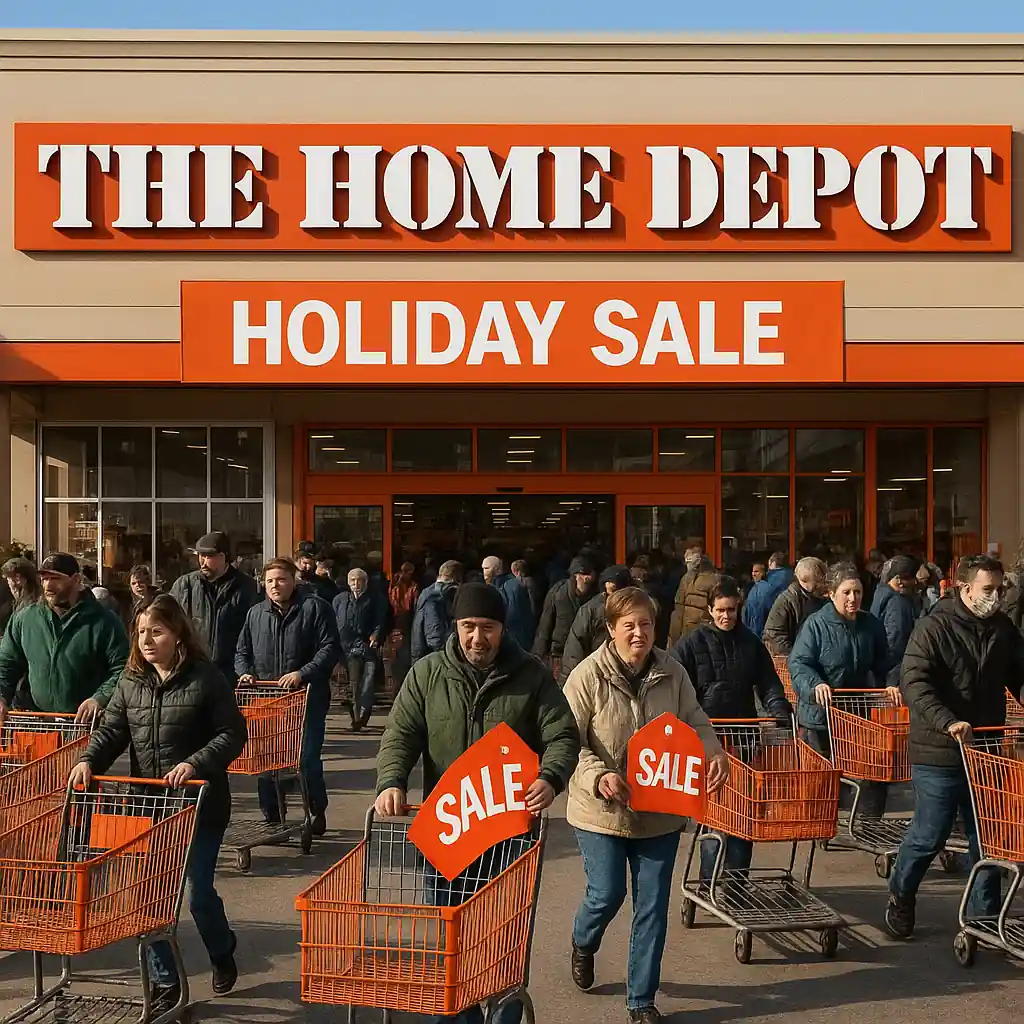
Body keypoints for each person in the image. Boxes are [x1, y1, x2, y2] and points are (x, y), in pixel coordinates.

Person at [375, 582, 581, 1024]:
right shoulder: (427, 673)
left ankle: (503, 1015)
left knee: (500, 938)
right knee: (452, 939)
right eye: (468, 626)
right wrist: (391, 781)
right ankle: (460, 1017)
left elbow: (562, 734)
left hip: (507, 833)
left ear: (502, 629)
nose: (477, 638)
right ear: (455, 626)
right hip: (446, 828)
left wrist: (551, 776)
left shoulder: (531, 675)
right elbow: (401, 733)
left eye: (487, 628)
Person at [70, 594, 247, 1011]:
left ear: (178, 635)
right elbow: (112, 732)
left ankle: (221, 951)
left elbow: (231, 734)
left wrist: (194, 763)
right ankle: (166, 983)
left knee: (197, 893)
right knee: (147, 897)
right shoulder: (131, 681)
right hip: (150, 809)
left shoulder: (205, 678)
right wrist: (86, 761)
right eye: (141, 632)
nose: (147, 640)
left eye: (157, 631)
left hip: (199, 807)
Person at [563, 587, 729, 1024]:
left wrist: (713, 752)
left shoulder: (673, 673)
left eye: (647, 624)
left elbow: (695, 719)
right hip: (600, 810)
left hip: (660, 808)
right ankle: (584, 939)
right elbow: (566, 742)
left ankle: (641, 1000)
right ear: (611, 629)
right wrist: (599, 776)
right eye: (630, 625)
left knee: (652, 905)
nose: (640, 634)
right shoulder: (586, 676)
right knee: (608, 892)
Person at [885, 554, 1024, 940]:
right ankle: (901, 892)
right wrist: (947, 721)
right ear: (964, 588)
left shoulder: (1002, 629)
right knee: (931, 833)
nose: (995, 597)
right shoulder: (934, 627)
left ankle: (984, 919)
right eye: (987, 589)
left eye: (1000, 589)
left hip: (986, 749)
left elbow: (1019, 673)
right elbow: (914, 682)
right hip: (939, 751)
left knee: (989, 834)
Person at [671, 576, 793, 882]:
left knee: (743, 812)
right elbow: (674, 687)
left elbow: (768, 683)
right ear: (710, 610)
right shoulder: (691, 644)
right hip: (706, 740)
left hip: (743, 736)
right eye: (721, 610)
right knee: (715, 816)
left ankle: (736, 881)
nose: (727, 616)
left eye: (732, 610)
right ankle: (708, 879)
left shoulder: (750, 643)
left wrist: (778, 708)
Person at [235, 558, 340, 834]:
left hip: (306, 699)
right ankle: (272, 816)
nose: (275, 586)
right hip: (267, 699)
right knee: (265, 760)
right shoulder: (255, 614)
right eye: (269, 581)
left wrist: (302, 674)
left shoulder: (315, 608)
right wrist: (245, 672)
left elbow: (329, 649)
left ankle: (315, 810)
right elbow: (242, 651)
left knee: (305, 759)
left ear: (294, 580)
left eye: (281, 579)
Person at [789, 561, 896, 819]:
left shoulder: (870, 624)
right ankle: (821, 824)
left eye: (857, 592)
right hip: (821, 715)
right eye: (847, 592)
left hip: (857, 711)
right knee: (824, 778)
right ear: (832, 593)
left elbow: (887, 661)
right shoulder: (816, 625)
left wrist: (893, 682)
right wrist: (815, 685)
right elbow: (799, 663)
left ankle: (870, 825)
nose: (853, 598)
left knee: (876, 769)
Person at [0, 553, 128, 726]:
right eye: (44, 578)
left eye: (55, 578)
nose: (48, 585)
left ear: (76, 580)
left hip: (85, 727)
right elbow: (7, 663)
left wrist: (100, 698)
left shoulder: (104, 621)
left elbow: (123, 668)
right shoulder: (25, 619)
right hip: (38, 725)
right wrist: (2, 697)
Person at [170, 531, 259, 687]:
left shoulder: (247, 587)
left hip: (232, 674)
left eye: (209, 557)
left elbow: (255, 632)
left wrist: (247, 668)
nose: (203, 562)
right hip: (191, 672)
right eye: (200, 556)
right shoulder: (185, 585)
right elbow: (169, 623)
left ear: (224, 556)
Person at [333, 567, 388, 731]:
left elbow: (381, 620)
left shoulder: (375, 599)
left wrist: (376, 635)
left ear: (366, 582)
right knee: (353, 684)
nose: (356, 584)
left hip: (367, 646)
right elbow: (334, 621)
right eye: (353, 580)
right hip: (346, 647)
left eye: (359, 580)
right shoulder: (340, 600)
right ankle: (356, 718)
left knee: (368, 683)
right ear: (348, 583)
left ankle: (363, 715)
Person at [558, 565, 633, 685]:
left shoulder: (639, 609)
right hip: (597, 678)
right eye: (607, 592)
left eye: (615, 591)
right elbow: (574, 652)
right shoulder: (591, 611)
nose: (611, 598)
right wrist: (569, 685)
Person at [532, 555, 596, 670]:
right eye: (585, 574)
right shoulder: (558, 593)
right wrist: (538, 656)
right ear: (576, 575)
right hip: (559, 654)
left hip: (584, 654)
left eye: (590, 574)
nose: (588, 578)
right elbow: (545, 626)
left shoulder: (593, 597)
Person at [869, 555, 920, 684]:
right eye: (911, 578)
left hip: (880, 669)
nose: (915, 583)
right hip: (893, 673)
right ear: (898, 580)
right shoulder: (898, 603)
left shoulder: (880, 595)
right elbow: (896, 640)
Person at [763, 556, 828, 656]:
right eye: (819, 581)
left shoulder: (821, 599)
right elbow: (773, 636)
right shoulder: (787, 600)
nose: (823, 585)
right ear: (806, 580)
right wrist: (797, 658)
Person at [410, 559, 462, 663]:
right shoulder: (436, 596)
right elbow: (435, 637)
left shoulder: (429, 592)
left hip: (425, 654)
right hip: (432, 657)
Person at [482, 555, 535, 651]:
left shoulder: (513, 586)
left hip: (515, 641)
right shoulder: (492, 587)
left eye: (487, 568)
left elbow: (513, 616)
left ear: (497, 569)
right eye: (483, 568)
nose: (484, 572)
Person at [668, 547, 719, 644]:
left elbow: (678, 611)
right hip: (708, 634)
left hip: (688, 634)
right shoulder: (716, 579)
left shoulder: (686, 579)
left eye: (689, 561)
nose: (687, 565)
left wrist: (673, 642)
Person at [740, 551, 793, 638]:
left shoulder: (762, 587)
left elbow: (754, 616)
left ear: (772, 563)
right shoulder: (799, 582)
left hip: (765, 638)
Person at [388, 561, 420, 688]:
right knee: (400, 658)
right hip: (401, 622)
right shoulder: (398, 585)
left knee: (400, 658)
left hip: (401, 622)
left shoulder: (396, 585)